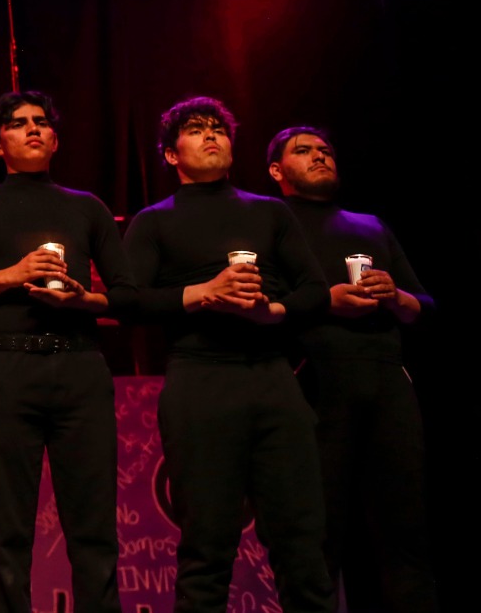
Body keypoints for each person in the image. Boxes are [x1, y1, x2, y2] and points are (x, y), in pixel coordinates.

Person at [123, 97, 333, 613]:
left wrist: (272, 312)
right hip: (200, 382)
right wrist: (203, 293)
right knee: (207, 543)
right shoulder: (154, 221)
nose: (210, 135)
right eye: (196, 130)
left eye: (217, 128)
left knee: (302, 543)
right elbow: (127, 300)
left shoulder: (269, 212)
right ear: (171, 154)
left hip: (272, 378)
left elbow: (315, 290)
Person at [0, 92, 134, 613]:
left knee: (94, 527)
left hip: (80, 366)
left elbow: (128, 295)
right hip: (9, 366)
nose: (32, 129)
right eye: (18, 123)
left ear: (55, 139)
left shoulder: (86, 206)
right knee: (9, 530)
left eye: (41, 122)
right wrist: (11, 275)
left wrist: (83, 299)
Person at [267, 126, 439, 613]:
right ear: (277, 170)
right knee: (318, 534)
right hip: (316, 379)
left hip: (387, 381)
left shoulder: (369, 225)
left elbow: (424, 307)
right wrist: (326, 301)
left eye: (325, 150)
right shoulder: (272, 223)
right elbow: (263, 305)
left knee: (406, 533)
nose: (319, 156)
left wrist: (396, 296)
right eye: (304, 151)